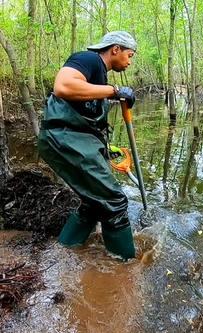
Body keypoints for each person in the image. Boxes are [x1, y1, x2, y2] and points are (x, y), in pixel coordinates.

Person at [38, 31, 137, 260]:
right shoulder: (89, 59)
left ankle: (66, 251)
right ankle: (124, 267)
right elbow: (63, 86)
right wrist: (114, 91)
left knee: (94, 203)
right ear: (115, 49)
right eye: (129, 55)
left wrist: (105, 149)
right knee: (114, 201)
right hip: (63, 138)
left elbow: (85, 119)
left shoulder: (99, 74)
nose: (130, 62)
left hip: (73, 140)